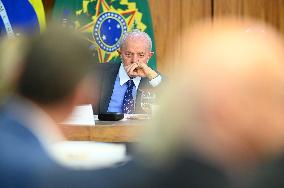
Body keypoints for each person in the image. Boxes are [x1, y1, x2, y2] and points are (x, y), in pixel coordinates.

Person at [92, 29, 162, 114]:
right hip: (103, 127)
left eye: (141, 55)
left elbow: (175, 101)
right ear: (120, 54)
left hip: (138, 127)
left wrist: (151, 75)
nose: (134, 60)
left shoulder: (154, 79)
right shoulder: (97, 73)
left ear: (149, 56)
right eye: (128, 54)